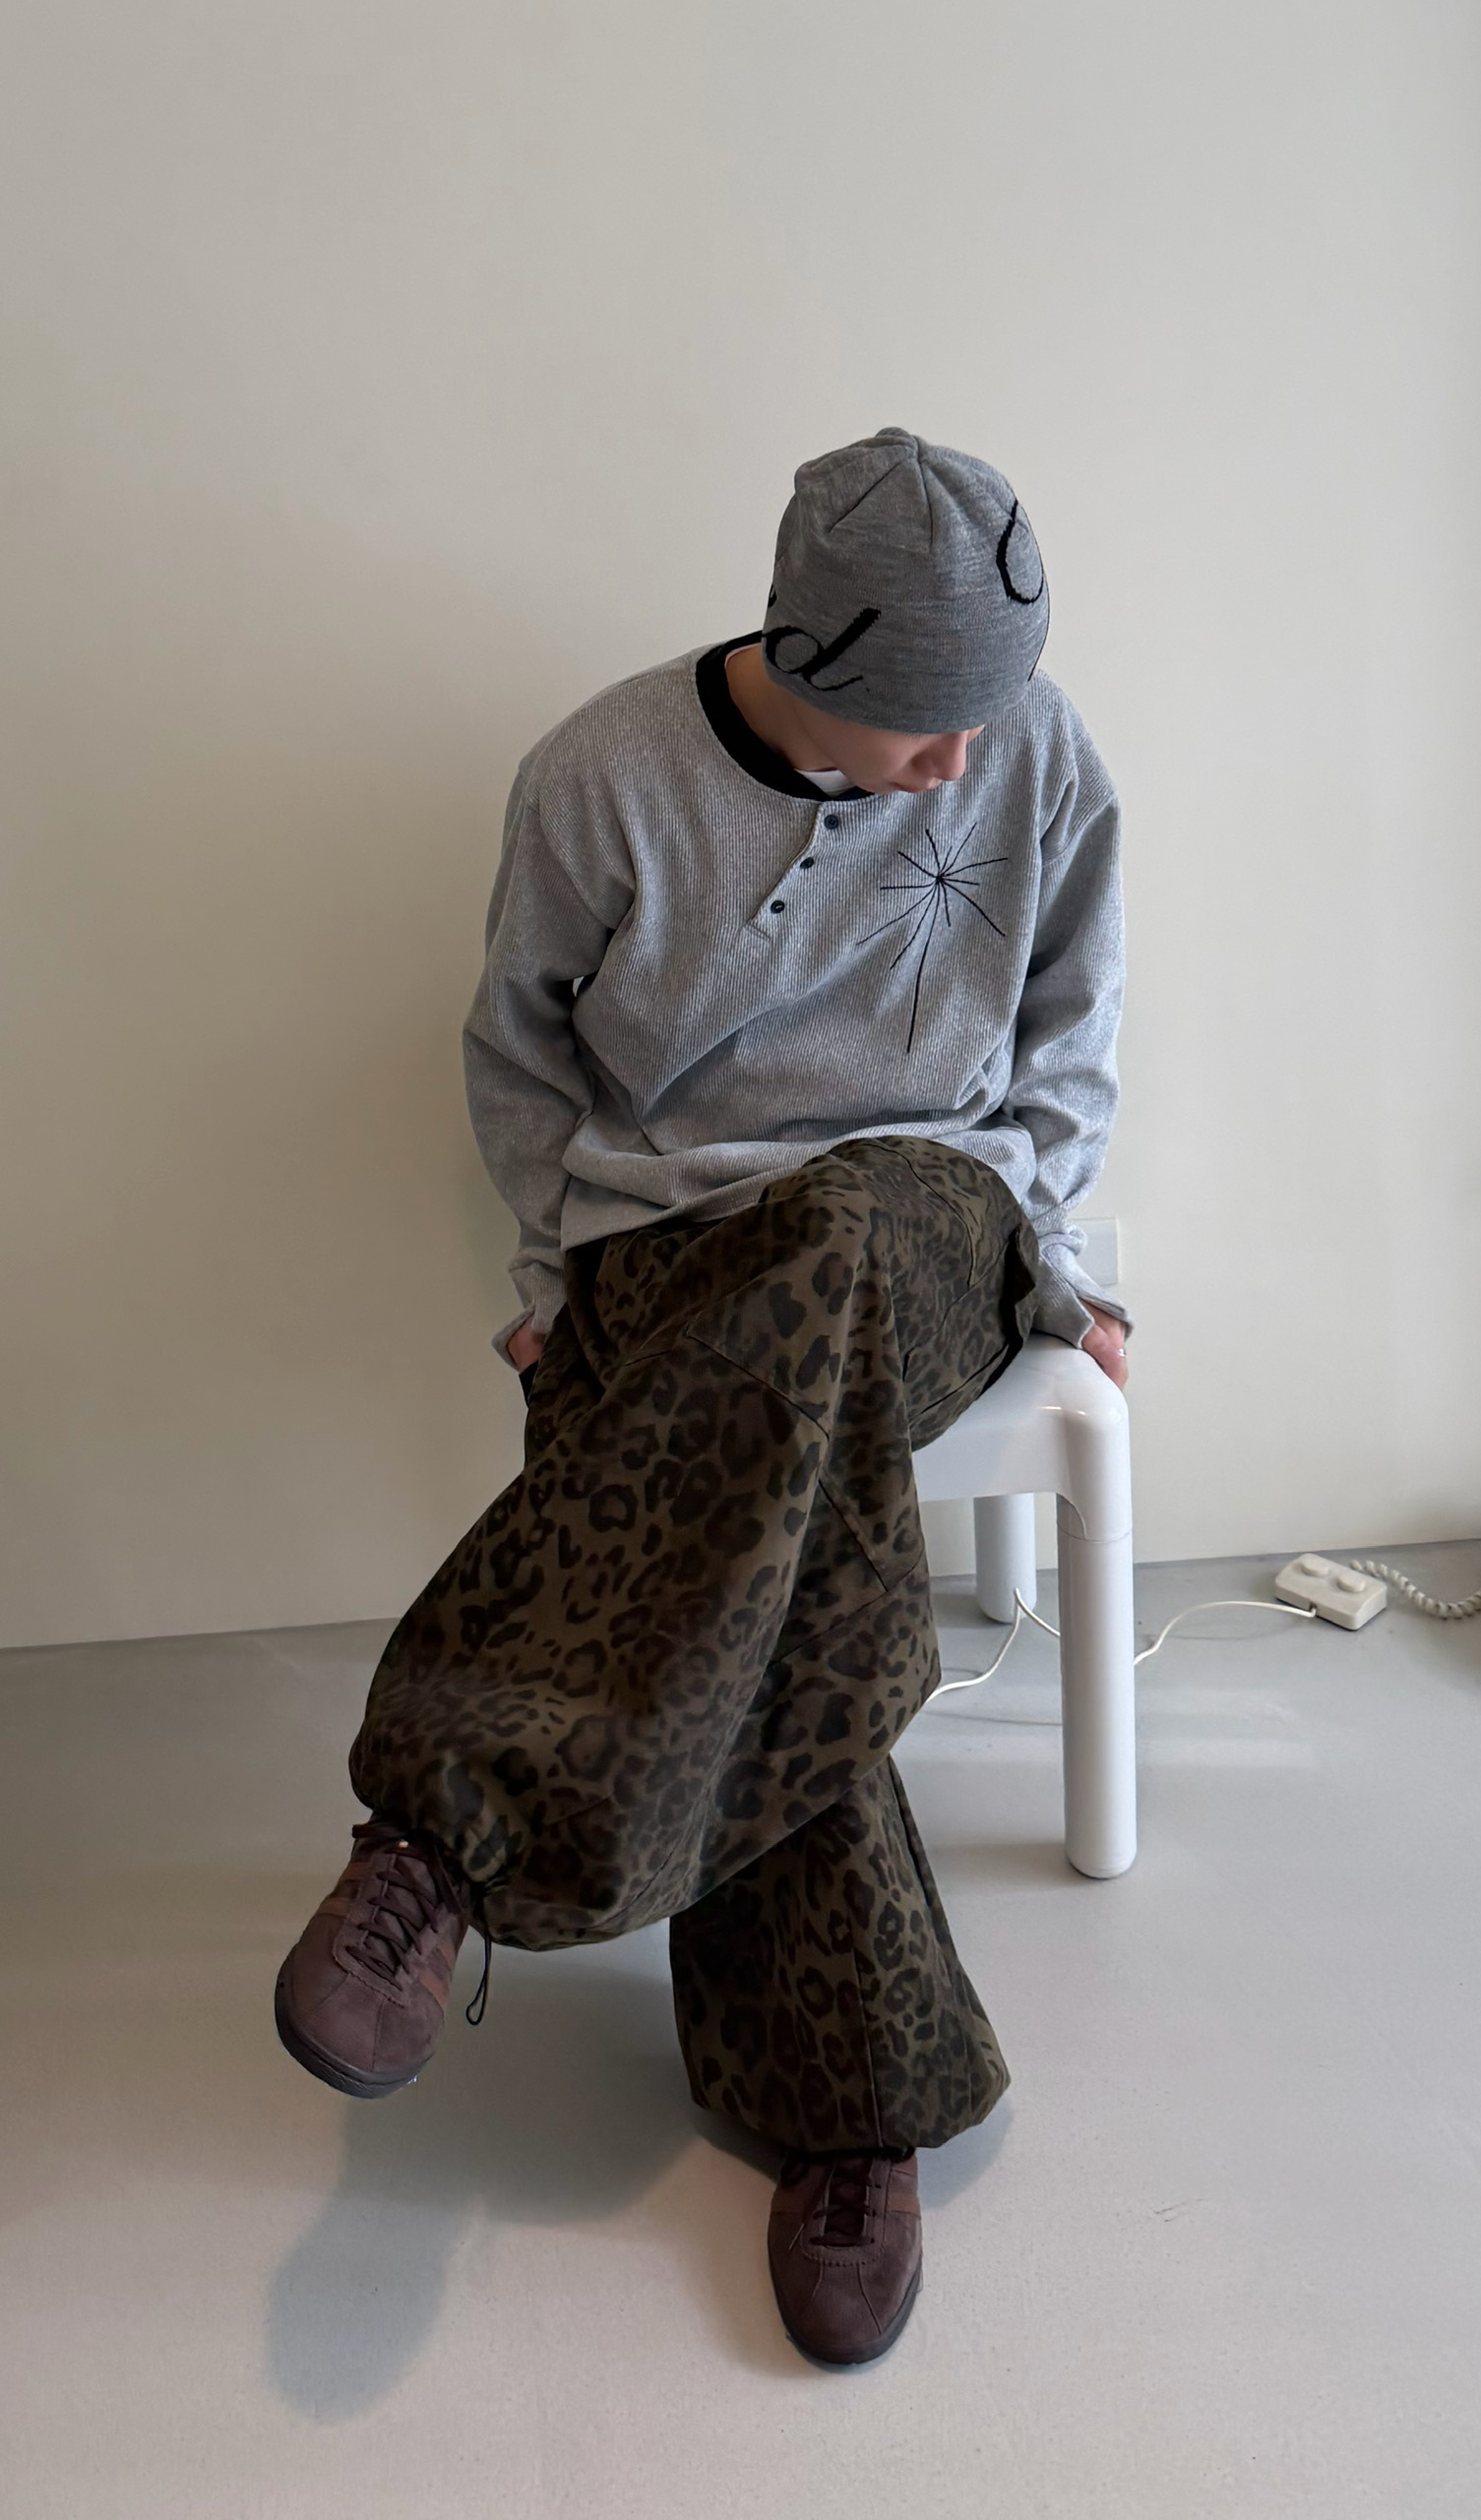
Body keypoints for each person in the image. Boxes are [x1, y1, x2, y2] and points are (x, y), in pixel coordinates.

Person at [274, 427, 1130, 2367]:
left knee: (831, 1243)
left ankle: (440, 1837)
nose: (966, 764)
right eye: (925, 724)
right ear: (804, 650)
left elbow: (1074, 1027)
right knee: (780, 1536)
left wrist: (1065, 1261)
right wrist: (549, 1282)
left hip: (932, 1218)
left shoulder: (1036, 744)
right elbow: (522, 1067)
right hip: (675, 1240)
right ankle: (849, 2105)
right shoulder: (598, 781)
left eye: (991, 713)